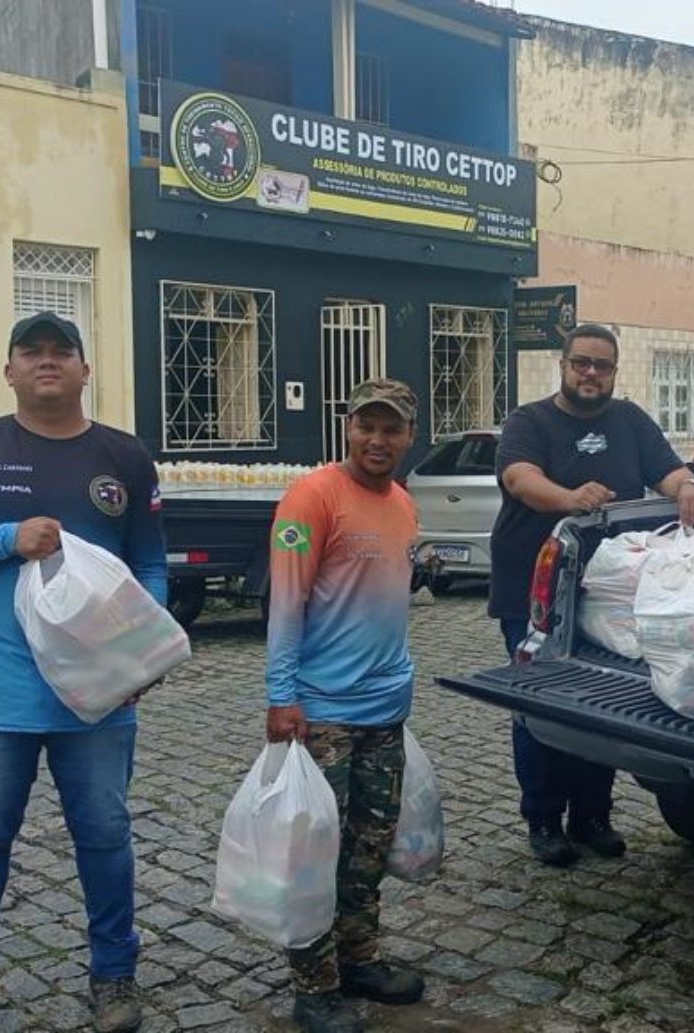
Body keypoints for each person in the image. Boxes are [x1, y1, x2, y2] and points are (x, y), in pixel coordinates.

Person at [0, 312, 167, 1033]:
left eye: (64, 351)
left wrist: (144, 646)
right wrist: (7, 537)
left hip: (98, 697)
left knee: (104, 836)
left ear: (88, 371)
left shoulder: (123, 455)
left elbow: (149, 556)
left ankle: (114, 975)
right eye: (31, 351)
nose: (48, 361)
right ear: (9, 370)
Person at [489, 323, 694, 866]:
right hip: (534, 593)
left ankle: (592, 815)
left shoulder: (630, 421)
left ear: (614, 372)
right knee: (539, 704)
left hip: (606, 598)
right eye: (581, 363)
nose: (591, 373)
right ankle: (543, 818)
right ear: (563, 366)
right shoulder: (530, 421)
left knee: (596, 706)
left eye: (602, 366)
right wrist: (568, 497)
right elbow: (519, 479)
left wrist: (689, 488)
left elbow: (669, 472)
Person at [264, 377, 426, 1033]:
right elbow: (285, 603)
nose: (378, 439)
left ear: (410, 436)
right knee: (316, 852)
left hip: (385, 708)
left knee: (368, 846)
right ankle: (314, 985)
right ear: (347, 426)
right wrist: (282, 697)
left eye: (392, 428)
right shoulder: (311, 497)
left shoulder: (406, 505)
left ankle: (358, 956)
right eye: (367, 425)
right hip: (321, 713)